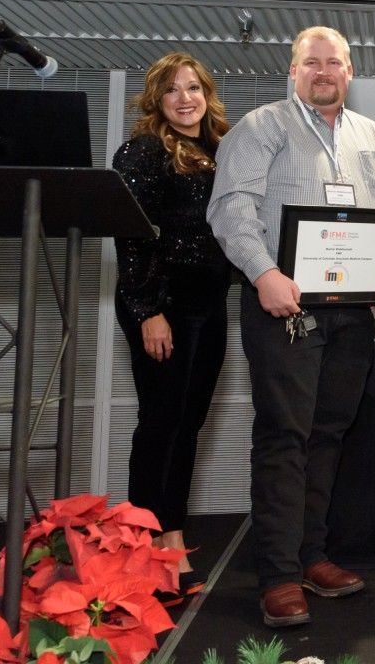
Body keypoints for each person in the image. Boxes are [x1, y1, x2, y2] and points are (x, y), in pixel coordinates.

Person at [207, 25, 375, 628]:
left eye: (334, 63)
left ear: (350, 72)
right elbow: (230, 207)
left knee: (329, 434)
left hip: (351, 314)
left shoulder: (373, 136)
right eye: (311, 63)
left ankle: (311, 555)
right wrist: (265, 273)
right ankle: (278, 576)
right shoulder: (260, 127)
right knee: (285, 437)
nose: (324, 72)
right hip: (283, 307)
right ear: (293, 71)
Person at [112, 52, 232, 597]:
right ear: (156, 102)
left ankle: (172, 545)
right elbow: (132, 235)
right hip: (165, 302)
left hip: (210, 301)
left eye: (193, 88)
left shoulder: (220, 151)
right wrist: (148, 310)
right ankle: (146, 554)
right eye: (172, 91)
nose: (185, 99)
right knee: (160, 424)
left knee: (188, 426)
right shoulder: (143, 150)